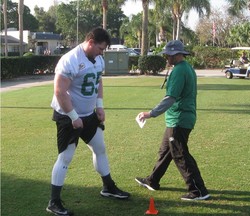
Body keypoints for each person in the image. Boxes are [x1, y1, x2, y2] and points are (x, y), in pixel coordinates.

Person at [47, 27, 130, 216]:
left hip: (88, 114)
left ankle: (108, 187)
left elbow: (98, 81)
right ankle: (53, 202)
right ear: (91, 42)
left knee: (99, 147)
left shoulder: (97, 59)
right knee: (66, 157)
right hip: (69, 116)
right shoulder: (70, 60)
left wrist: (99, 106)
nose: (102, 53)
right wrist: (74, 117)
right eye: (100, 48)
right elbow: (60, 91)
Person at [135, 40, 210, 201]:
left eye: (168, 55)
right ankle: (152, 180)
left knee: (180, 154)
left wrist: (151, 113)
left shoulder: (179, 71)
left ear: (176, 55)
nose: (166, 58)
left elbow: (170, 98)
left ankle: (198, 190)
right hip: (178, 119)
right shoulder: (186, 67)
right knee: (166, 151)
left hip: (179, 119)